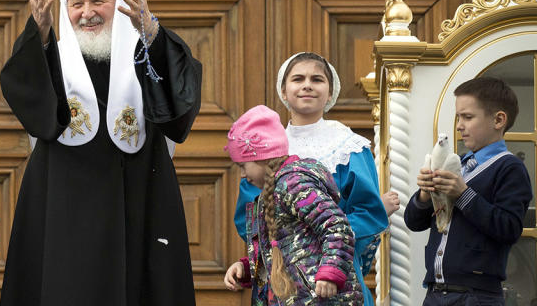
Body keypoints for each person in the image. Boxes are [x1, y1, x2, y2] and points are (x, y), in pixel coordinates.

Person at [0, 0, 202, 306]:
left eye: (98, 1)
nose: (87, 13)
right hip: (62, 201)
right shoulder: (51, 55)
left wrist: (151, 30)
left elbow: (179, 109)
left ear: (119, 3)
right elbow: (27, 99)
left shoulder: (147, 52)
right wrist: (39, 33)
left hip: (139, 196)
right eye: (76, 3)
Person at [233, 52, 389, 306]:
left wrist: (321, 246)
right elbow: (250, 218)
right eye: (298, 79)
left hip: (333, 273)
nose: (307, 84)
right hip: (282, 276)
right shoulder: (262, 152)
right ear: (283, 91)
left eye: (317, 79)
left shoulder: (350, 148)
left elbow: (369, 212)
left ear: (330, 93)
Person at [404, 77, 532, 305]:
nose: (459, 125)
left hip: (477, 296)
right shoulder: (457, 163)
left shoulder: (510, 167)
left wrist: (463, 194)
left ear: (499, 120)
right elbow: (414, 222)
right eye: (458, 117)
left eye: (468, 117)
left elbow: (510, 229)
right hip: (434, 293)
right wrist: (424, 194)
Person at [224, 104, 361, 305]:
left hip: (320, 298)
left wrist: (331, 271)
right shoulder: (269, 193)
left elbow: (336, 226)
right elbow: (279, 248)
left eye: (243, 166)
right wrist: (246, 267)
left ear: (261, 157)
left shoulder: (293, 184)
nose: (243, 175)